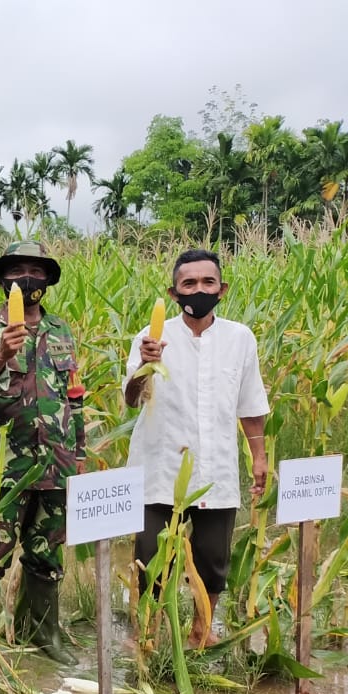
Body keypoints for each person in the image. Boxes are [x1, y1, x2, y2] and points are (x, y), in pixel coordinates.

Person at [124, 248, 269, 648]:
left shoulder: (240, 339)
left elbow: (251, 405)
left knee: (211, 560)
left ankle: (200, 634)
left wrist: (259, 456)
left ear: (222, 289)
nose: (199, 289)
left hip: (215, 468)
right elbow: (132, 399)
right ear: (174, 293)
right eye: (189, 283)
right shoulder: (151, 338)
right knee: (151, 558)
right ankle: (147, 635)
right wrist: (144, 366)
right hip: (159, 467)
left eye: (208, 282)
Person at [0, 241, 84, 665]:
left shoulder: (61, 331)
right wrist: (2, 353)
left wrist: (77, 454)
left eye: (36, 270)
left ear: (47, 280)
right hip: (1, 470)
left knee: (47, 555)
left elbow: (73, 397)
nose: (27, 278)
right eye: (18, 269)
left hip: (55, 468)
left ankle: (43, 634)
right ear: (3, 278)